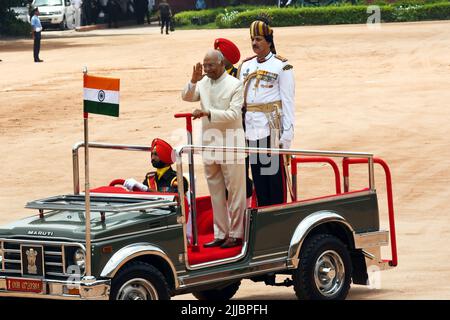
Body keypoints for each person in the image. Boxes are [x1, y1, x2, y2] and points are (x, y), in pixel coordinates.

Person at [182, 50, 247, 249]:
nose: (207, 69)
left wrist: (207, 112)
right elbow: (187, 96)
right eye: (205, 65)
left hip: (231, 143)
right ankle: (220, 233)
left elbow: (234, 114)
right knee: (216, 191)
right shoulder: (203, 83)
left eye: (210, 65)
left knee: (235, 191)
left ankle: (237, 234)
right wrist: (193, 81)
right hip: (209, 143)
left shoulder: (235, 84)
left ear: (221, 64)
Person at [238, 18, 295, 207]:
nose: (254, 43)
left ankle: (277, 221)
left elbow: (288, 102)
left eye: (259, 39)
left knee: (274, 182)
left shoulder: (282, 66)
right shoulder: (245, 66)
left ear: (269, 41)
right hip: (251, 131)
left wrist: (287, 135)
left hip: (271, 130)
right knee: (259, 181)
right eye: (252, 39)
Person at [214, 38, 254, 206]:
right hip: (218, 134)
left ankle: (245, 213)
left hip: (237, 132)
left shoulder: (239, 75)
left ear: (227, 57)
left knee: (240, 176)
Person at [123, 138, 188, 193]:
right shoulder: (149, 178)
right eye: (152, 154)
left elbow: (168, 199)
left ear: (166, 157)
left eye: (156, 154)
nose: (152, 158)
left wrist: (144, 188)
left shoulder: (178, 180)